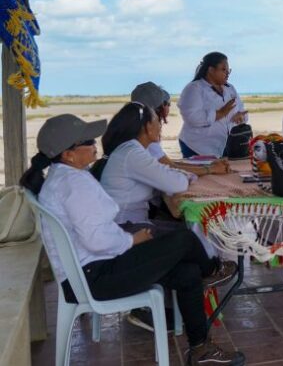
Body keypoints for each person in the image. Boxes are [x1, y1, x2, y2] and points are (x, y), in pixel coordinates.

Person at [20, 114, 245, 366]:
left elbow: (96, 232)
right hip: (96, 276)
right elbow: (97, 239)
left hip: (93, 268)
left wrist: (127, 238)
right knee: (183, 238)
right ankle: (213, 270)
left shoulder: (66, 177)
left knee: (188, 272)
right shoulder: (72, 185)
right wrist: (132, 240)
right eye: (87, 141)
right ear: (68, 155)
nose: (95, 144)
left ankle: (200, 348)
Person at [92, 102, 194, 235]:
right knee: (193, 236)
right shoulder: (132, 154)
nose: (160, 125)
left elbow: (164, 174)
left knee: (188, 231)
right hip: (125, 228)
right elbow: (177, 183)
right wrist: (186, 176)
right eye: (157, 121)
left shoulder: (131, 150)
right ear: (147, 127)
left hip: (130, 223)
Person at [131, 82, 230, 178]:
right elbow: (170, 167)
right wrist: (211, 169)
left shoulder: (135, 127)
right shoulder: (146, 135)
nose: (169, 107)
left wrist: (208, 166)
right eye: (168, 104)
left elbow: (166, 162)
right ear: (160, 107)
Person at [178, 52, 248, 158]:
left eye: (229, 70)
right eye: (224, 69)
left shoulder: (230, 88)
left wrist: (241, 117)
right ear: (211, 70)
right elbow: (192, 118)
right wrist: (220, 113)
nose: (227, 73)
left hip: (223, 146)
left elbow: (242, 112)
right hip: (197, 147)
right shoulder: (194, 88)